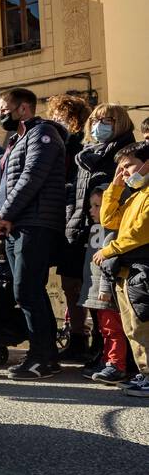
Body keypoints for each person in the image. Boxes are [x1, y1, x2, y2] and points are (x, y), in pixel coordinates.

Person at [0, 88, 68, 380]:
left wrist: (5, 214)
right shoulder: (14, 141)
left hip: (36, 224)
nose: (1, 114)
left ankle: (40, 358)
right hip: (14, 225)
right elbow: (1, 186)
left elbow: (32, 177)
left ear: (23, 109)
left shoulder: (43, 133)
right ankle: (46, 355)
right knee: (29, 290)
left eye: (4, 109)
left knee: (27, 290)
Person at [66, 103, 136, 365]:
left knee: (109, 291)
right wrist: (73, 219)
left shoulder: (126, 153)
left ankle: (120, 357)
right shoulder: (86, 154)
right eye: (95, 119)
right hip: (88, 225)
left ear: (120, 123)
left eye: (107, 120)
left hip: (114, 228)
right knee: (92, 288)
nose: (99, 125)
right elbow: (75, 192)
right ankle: (101, 348)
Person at [95, 142, 149, 398]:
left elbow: (139, 232)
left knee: (142, 325)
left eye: (128, 166)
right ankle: (144, 373)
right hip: (128, 271)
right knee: (131, 326)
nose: (125, 172)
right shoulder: (135, 193)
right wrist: (115, 187)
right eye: (121, 169)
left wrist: (108, 250)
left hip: (143, 267)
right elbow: (108, 220)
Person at [49, 95, 94, 360]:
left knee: (84, 284)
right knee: (68, 283)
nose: (58, 120)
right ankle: (76, 335)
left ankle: (88, 337)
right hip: (62, 219)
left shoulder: (80, 146)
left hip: (79, 220)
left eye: (63, 116)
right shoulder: (55, 143)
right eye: (55, 115)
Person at [81, 184, 127, 383]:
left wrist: (105, 287)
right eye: (91, 205)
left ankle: (116, 364)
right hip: (95, 291)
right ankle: (106, 359)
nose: (91, 210)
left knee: (113, 329)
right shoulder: (96, 229)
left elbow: (110, 262)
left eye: (97, 206)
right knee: (103, 329)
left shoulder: (114, 231)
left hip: (106, 291)